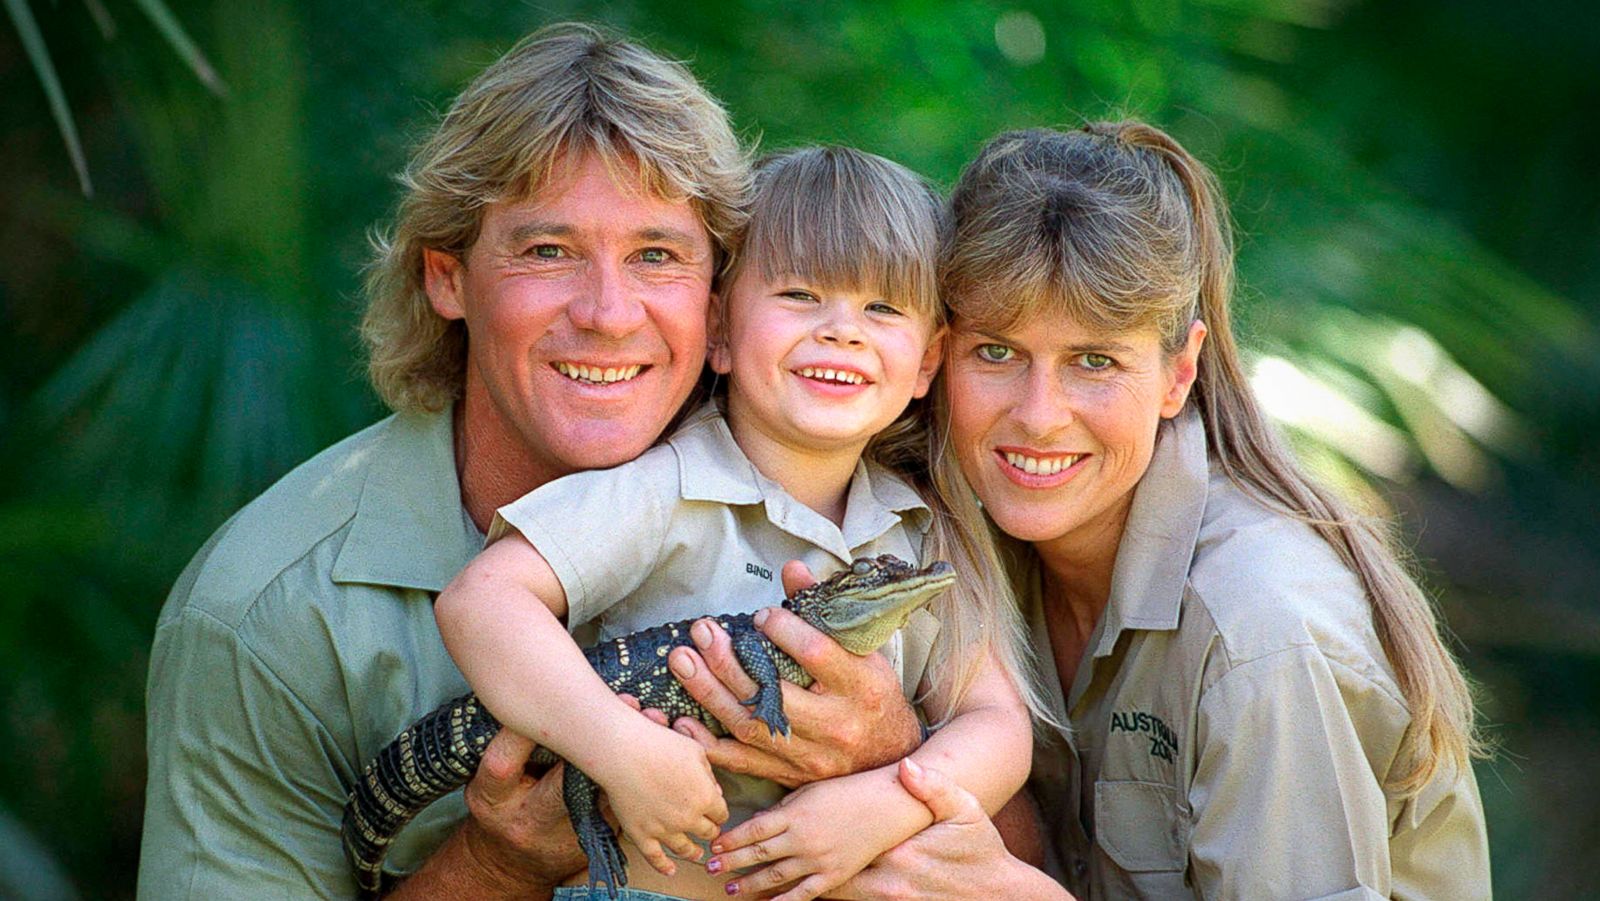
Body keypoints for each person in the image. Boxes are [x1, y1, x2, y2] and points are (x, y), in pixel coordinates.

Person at [138, 25, 920, 900]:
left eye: (656, 255)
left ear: (718, 298)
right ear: (448, 277)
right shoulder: (261, 611)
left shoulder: (850, 488)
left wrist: (891, 749)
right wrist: (493, 866)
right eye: (548, 251)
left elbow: (1040, 852)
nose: (609, 314)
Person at [839, 121, 1491, 900]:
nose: (1039, 415)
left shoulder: (1264, 634)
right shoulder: (942, 541)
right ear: (939, 356)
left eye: (1094, 361)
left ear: (1179, 372)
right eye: (999, 352)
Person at [434, 146, 1037, 901]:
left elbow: (998, 725)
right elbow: (482, 602)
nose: (843, 331)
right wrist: (619, 749)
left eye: (882, 308)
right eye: (799, 293)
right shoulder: (662, 489)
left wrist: (886, 802)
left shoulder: (922, 531)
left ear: (926, 362)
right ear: (718, 327)